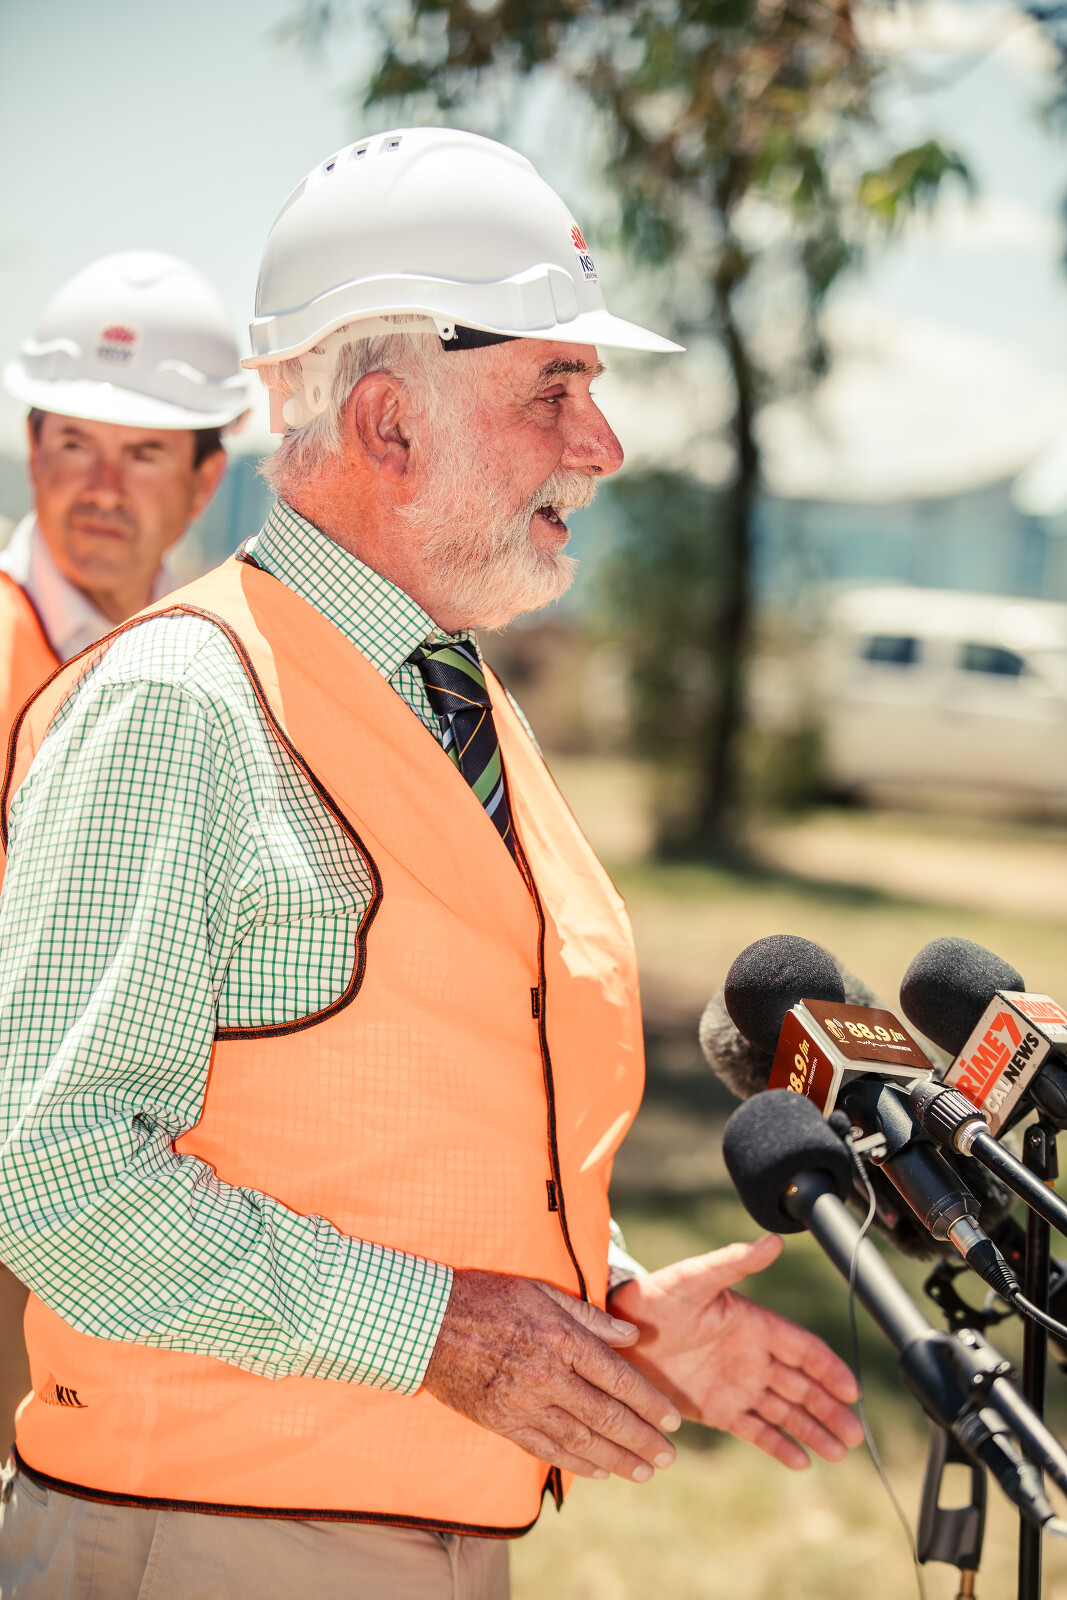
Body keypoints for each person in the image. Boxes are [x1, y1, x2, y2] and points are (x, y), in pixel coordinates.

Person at [0, 129, 861, 1600]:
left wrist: (605, 1311)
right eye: (553, 390)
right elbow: (51, 1173)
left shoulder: (455, 700)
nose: (602, 445)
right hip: (203, 1547)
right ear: (388, 425)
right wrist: (441, 1335)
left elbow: (410, 1118)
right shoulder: (180, 704)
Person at [0, 249, 250, 1463]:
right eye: (73, 444)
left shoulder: (209, 662)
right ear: (30, 445)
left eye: (143, 452)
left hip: (127, 1197)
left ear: (206, 478)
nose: (100, 487)